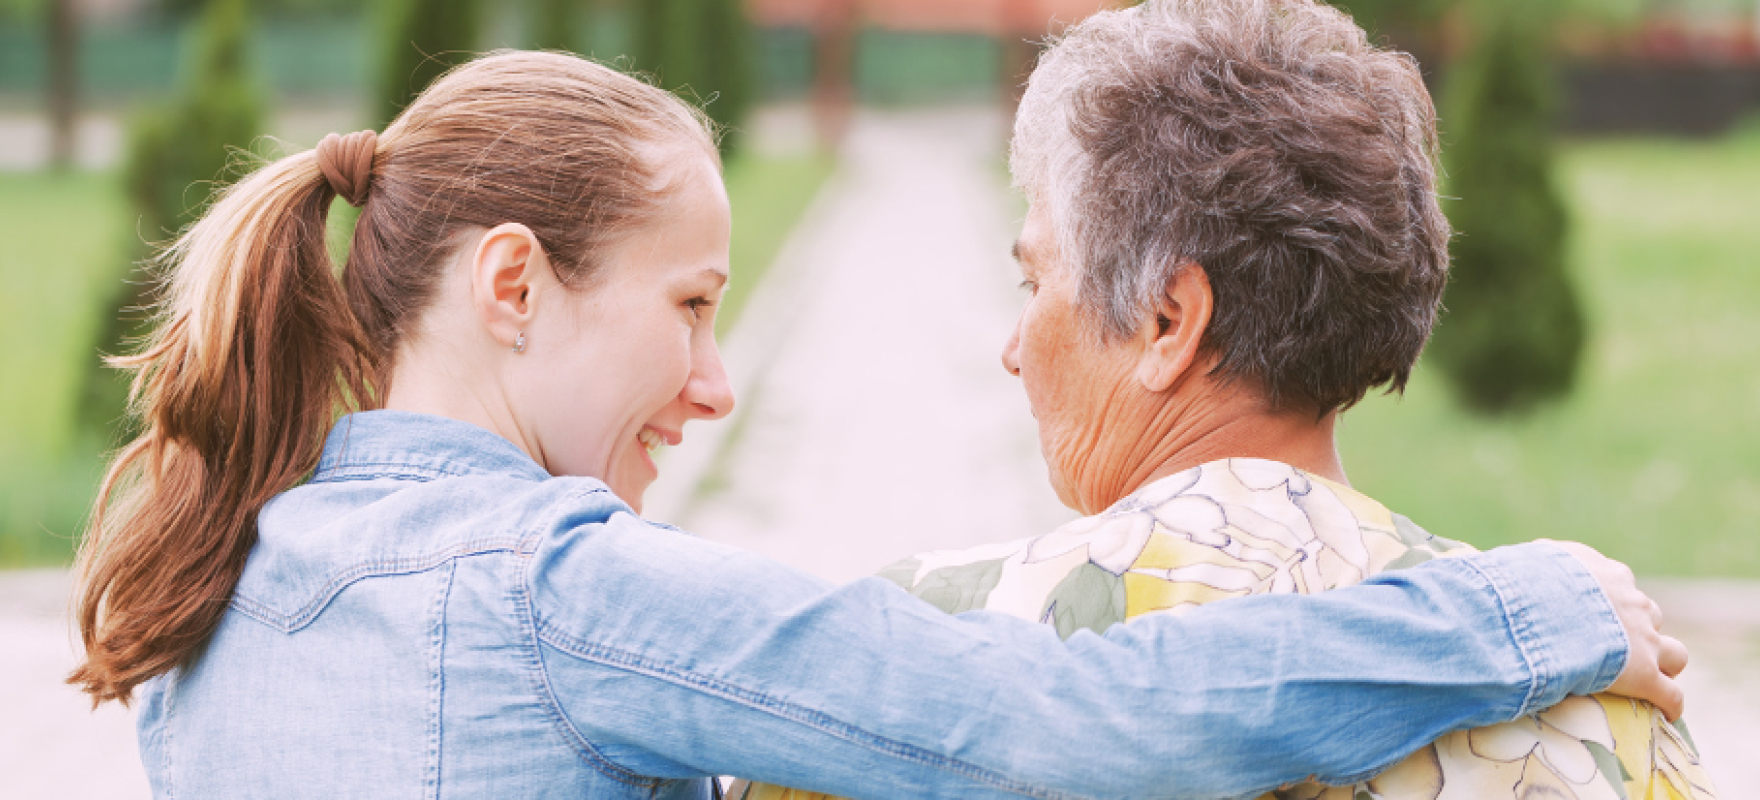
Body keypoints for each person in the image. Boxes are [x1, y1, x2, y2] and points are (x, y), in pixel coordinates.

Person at [68, 51, 1681, 800]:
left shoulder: (203, 584)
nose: (713, 379)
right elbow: (1053, 722)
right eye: (692, 305)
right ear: (511, 284)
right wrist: (1516, 609)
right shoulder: (558, 594)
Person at [737, 1, 1713, 798]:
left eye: (1032, 283)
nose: (1010, 350)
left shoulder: (909, 664)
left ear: (1169, 319)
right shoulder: (1612, 692)